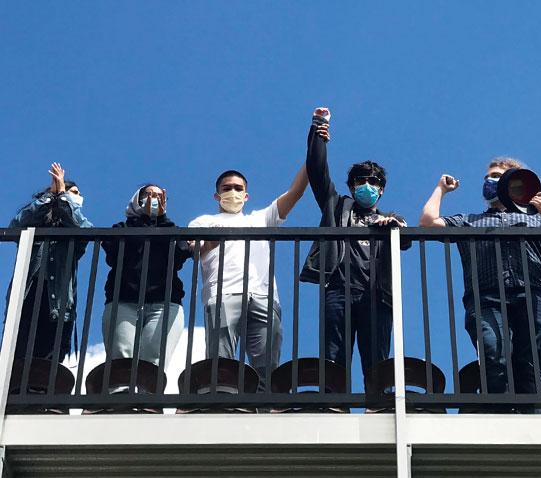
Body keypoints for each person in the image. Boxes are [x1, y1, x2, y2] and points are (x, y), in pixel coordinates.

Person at [419, 157, 541, 410]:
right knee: (493, 356)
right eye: (489, 176)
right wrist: (441, 190)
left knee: (529, 363)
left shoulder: (536, 221)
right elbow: (426, 224)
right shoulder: (469, 220)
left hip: (532, 295)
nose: (491, 180)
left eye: (499, 175)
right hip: (485, 298)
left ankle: (530, 424)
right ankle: (499, 419)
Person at [300, 107, 408, 379]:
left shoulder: (391, 218)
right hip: (338, 290)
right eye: (360, 181)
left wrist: (395, 228)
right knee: (333, 358)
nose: (366, 186)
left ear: (381, 189)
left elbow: (405, 239)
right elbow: (316, 171)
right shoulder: (336, 206)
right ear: (351, 186)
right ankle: (335, 405)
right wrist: (318, 130)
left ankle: (377, 407)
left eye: (373, 182)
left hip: (377, 295)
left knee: (377, 361)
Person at [189, 164, 308, 391]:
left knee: (267, 365)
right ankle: (222, 405)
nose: (232, 192)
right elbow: (192, 249)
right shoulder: (203, 221)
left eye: (237, 188)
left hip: (263, 297)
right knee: (221, 361)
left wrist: (312, 154)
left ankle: (263, 409)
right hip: (222, 293)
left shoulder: (261, 218)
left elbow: (296, 192)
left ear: (246, 195)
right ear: (217, 195)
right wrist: (210, 243)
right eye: (227, 188)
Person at [101, 185, 191, 374]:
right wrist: (144, 221)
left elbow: (181, 254)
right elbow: (115, 253)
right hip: (123, 301)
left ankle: (147, 402)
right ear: (137, 200)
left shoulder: (170, 229)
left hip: (165, 303)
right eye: (149, 195)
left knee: (153, 361)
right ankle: (121, 401)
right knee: (122, 359)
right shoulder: (122, 228)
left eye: (158, 196)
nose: (153, 199)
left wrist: (161, 221)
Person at [7, 163, 92, 362]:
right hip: (29, 293)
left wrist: (63, 196)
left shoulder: (80, 224)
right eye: (73, 192)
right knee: (19, 356)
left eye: (76, 194)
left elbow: (82, 231)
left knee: (49, 362)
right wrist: (49, 197)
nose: (75, 196)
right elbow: (16, 225)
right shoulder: (37, 222)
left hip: (60, 302)